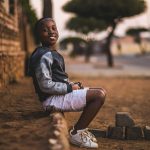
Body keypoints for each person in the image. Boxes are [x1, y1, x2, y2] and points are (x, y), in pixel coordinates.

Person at [28, 17, 106, 149]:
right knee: (99, 95)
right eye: (45, 30)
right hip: (52, 100)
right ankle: (77, 133)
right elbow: (45, 85)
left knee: (100, 90)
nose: (51, 32)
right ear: (38, 35)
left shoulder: (49, 53)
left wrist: (72, 85)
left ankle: (80, 130)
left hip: (57, 96)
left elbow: (57, 79)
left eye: (54, 28)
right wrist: (70, 87)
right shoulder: (44, 55)